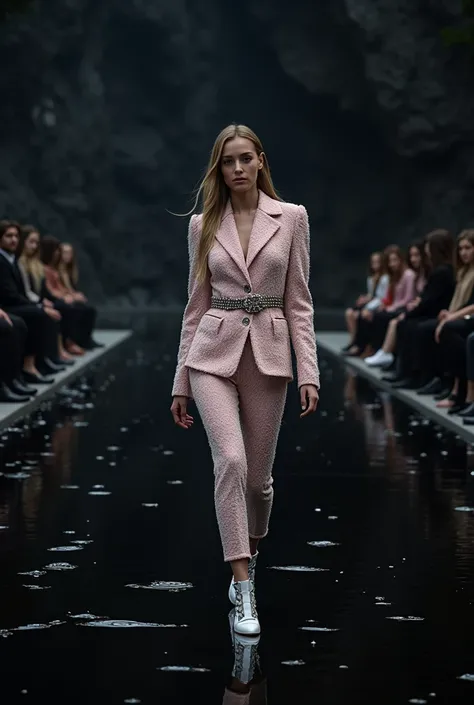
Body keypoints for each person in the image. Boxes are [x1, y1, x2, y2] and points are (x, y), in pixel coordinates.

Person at [170, 124, 319, 636]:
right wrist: (180, 382)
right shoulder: (202, 225)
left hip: (270, 355)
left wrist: (310, 371)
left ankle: (250, 553)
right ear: (219, 168)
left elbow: (299, 301)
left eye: (244, 159)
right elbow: (195, 306)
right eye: (227, 161)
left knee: (259, 482)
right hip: (211, 352)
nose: (236, 169)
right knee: (229, 460)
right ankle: (243, 585)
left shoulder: (293, 218)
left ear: (261, 161)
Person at [0, 220, 62, 384]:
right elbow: (10, 294)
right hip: (8, 305)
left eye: (16, 236)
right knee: (34, 315)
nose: (13, 240)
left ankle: (32, 366)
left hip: (12, 305)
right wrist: (38, 305)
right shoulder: (5, 261)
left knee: (39, 314)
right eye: (8, 236)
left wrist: (39, 304)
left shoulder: (11, 260)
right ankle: (24, 370)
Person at [364, 240, 429, 367]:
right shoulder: (397, 276)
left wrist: (390, 307)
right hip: (404, 307)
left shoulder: (409, 275)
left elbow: (408, 298)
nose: (392, 264)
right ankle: (379, 351)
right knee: (378, 316)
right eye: (412, 256)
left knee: (384, 317)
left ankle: (386, 353)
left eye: (417, 255)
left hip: (407, 308)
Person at [342, 251, 388, 352]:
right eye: (373, 262)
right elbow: (371, 294)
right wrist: (365, 299)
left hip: (378, 305)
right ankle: (353, 340)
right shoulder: (371, 278)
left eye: (378, 262)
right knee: (349, 313)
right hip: (371, 303)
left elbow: (382, 297)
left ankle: (360, 345)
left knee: (358, 315)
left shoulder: (385, 278)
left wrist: (368, 303)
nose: (375, 265)